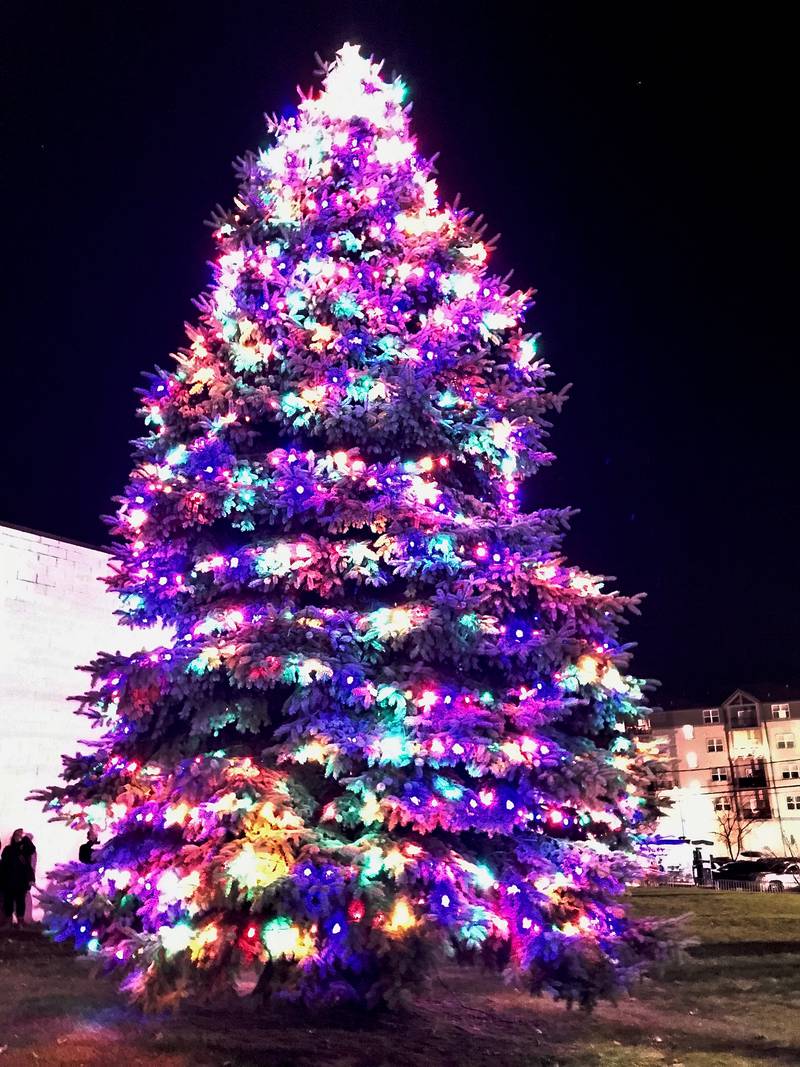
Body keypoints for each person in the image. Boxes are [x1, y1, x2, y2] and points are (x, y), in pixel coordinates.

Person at [1, 829, 35, 928]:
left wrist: (25, 838)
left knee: (20, 901)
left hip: (21, 880)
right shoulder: (8, 849)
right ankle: (8, 921)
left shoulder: (25, 850)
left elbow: (31, 849)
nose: (18, 837)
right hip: (9, 879)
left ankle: (20, 921)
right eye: (17, 835)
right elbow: (4, 864)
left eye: (20, 835)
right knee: (8, 901)